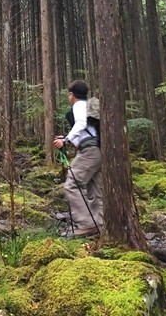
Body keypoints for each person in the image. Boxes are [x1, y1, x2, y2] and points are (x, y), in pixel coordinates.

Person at [53, 80, 103, 238]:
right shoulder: (88, 106)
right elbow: (86, 130)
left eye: (68, 94)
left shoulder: (79, 106)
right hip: (98, 151)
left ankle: (87, 224)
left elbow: (81, 123)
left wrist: (65, 140)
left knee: (71, 184)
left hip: (88, 152)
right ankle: (99, 224)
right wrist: (68, 138)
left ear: (71, 94)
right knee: (95, 189)